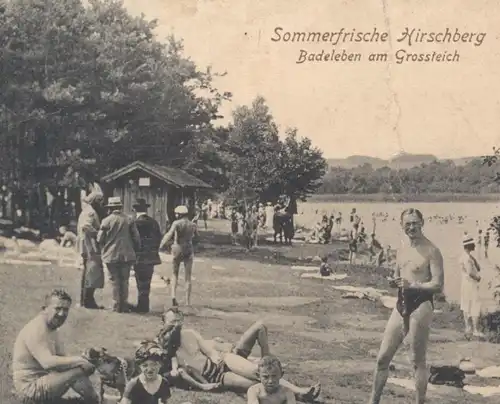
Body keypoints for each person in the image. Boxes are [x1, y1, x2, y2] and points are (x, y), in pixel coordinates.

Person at [156, 308, 321, 402]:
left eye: (178, 321)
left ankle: (299, 391)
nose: (175, 325)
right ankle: (297, 395)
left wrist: (215, 356)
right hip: (218, 377)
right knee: (252, 384)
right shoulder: (163, 348)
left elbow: (209, 351)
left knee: (258, 372)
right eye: (172, 321)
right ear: (163, 324)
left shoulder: (190, 333)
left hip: (223, 361)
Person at [367, 208, 444, 404]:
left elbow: (438, 285)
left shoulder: (432, 250)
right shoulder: (402, 249)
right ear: (402, 226)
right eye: (407, 224)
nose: (411, 227)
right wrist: (393, 282)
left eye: (415, 223)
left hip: (421, 304)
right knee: (382, 358)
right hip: (401, 303)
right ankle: (373, 401)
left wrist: (414, 285)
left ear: (422, 223)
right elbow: (396, 275)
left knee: (417, 361)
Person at [12, 289, 99, 404]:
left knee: (77, 369)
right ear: (45, 309)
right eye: (57, 308)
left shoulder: (52, 328)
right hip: (29, 391)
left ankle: (95, 399)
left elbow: (63, 360)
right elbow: (47, 363)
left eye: (65, 309)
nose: (62, 314)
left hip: (44, 382)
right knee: (78, 369)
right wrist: (79, 361)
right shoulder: (37, 329)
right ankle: (97, 400)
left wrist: (84, 361)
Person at [97, 196, 141, 313]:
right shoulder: (129, 219)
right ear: (120, 207)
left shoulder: (106, 221)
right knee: (125, 280)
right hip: (127, 254)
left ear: (110, 208)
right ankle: (124, 305)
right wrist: (136, 249)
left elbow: (100, 238)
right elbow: (136, 238)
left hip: (111, 254)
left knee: (114, 280)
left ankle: (116, 305)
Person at [159, 205, 197, 308]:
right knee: (188, 276)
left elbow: (169, 234)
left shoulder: (176, 223)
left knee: (174, 274)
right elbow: (194, 236)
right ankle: (188, 301)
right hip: (189, 248)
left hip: (178, 248)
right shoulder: (192, 224)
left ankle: (173, 296)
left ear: (179, 214)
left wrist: (161, 244)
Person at [132, 198, 162, 313]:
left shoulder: (135, 223)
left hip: (139, 256)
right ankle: (144, 305)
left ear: (135, 210)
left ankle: (141, 306)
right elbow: (159, 237)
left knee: (140, 281)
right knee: (147, 282)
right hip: (151, 256)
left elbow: (133, 240)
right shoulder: (154, 222)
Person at [76, 192, 105, 309]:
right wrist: (98, 234)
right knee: (93, 271)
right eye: (100, 201)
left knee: (88, 272)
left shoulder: (85, 211)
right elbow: (86, 227)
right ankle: (88, 300)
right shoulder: (91, 212)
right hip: (90, 246)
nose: (102, 204)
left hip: (85, 244)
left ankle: (85, 300)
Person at [460, 235, 484, 338]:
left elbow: (478, 268)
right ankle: (475, 329)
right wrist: (478, 278)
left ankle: (468, 328)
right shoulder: (467, 258)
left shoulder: (465, 256)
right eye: (473, 244)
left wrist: (473, 258)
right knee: (475, 305)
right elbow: (471, 272)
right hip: (471, 284)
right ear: (469, 246)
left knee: (466, 305)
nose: (475, 245)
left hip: (465, 284)